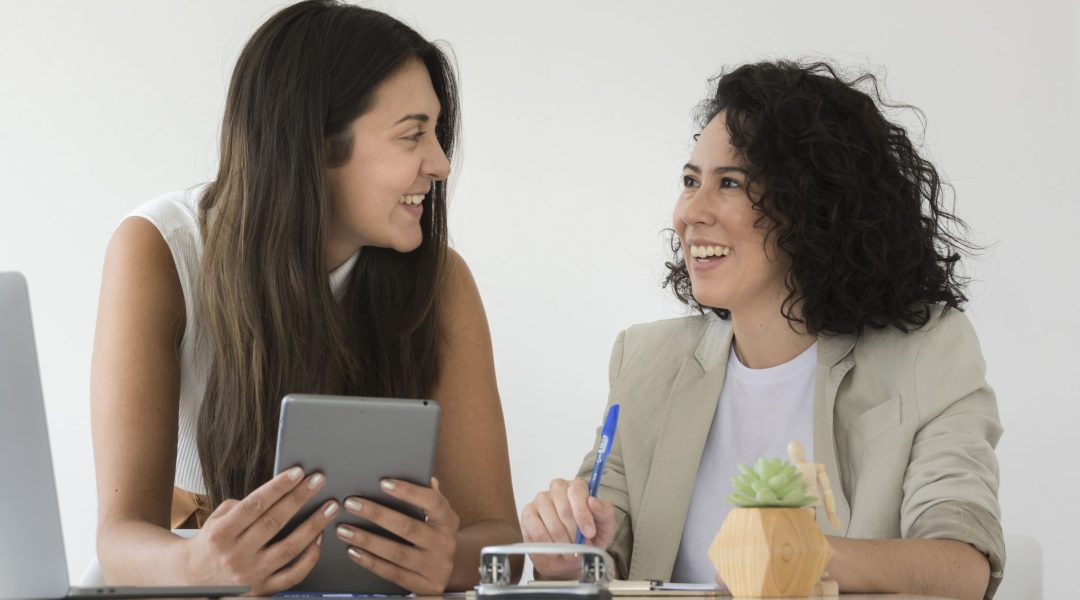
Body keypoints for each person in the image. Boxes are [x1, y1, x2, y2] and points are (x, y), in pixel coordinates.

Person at [521, 61, 1004, 600]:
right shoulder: (645, 359)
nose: (690, 212)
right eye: (689, 181)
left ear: (812, 207)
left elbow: (963, 567)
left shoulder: (929, 352)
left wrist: (808, 555)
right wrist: (567, 554)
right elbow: (602, 555)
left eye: (729, 183)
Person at [90, 1, 520, 594]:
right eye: (413, 135)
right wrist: (203, 564)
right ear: (316, 144)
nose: (442, 164)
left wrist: (446, 557)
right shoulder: (161, 250)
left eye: (437, 133)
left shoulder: (440, 281)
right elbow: (118, 542)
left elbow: (502, 540)